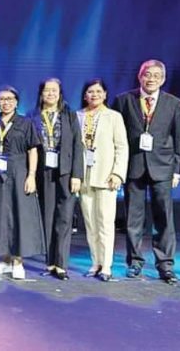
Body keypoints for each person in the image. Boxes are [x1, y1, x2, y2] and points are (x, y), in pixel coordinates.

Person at [112, 59, 180, 284]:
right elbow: (116, 137)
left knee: (164, 217)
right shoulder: (124, 100)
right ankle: (135, 262)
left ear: (162, 79)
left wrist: (177, 169)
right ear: (139, 76)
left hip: (162, 167)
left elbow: (178, 138)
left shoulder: (173, 103)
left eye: (156, 75)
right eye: (147, 74)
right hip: (133, 166)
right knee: (133, 218)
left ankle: (165, 264)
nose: (151, 79)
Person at [0, 87, 44, 280]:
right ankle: (5, 260)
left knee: (18, 216)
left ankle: (18, 261)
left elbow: (32, 150)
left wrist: (31, 175)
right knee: (1, 216)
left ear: (16, 102)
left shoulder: (25, 123)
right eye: (2, 99)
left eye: (10, 99)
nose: (6, 102)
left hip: (19, 172)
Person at [30, 78, 84, 280]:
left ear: (60, 93)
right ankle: (50, 262)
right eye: (47, 90)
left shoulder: (69, 115)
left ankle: (62, 264)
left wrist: (77, 174)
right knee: (47, 217)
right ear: (41, 94)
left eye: (54, 90)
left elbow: (78, 146)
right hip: (43, 172)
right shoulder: (32, 116)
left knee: (64, 218)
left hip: (66, 172)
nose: (51, 94)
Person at [76, 79, 128, 282]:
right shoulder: (77, 116)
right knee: (90, 223)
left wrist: (118, 173)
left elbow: (122, 147)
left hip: (106, 177)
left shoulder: (114, 117)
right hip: (84, 177)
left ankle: (106, 265)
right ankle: (95, 262)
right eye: (90, 91)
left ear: (105, 94)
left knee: (105, 222)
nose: (94, 95)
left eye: (98, 91)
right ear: (84, 95)